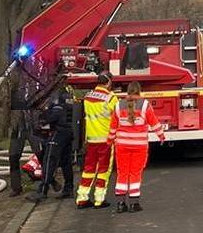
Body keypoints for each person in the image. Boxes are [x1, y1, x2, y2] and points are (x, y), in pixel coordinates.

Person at [108, 80, 166, 212]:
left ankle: (121, 204)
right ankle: (134, 204)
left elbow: (113, 126)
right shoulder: (145, 105)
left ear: (127, 91)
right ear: (139, 91)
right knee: (135, 173)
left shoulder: (118, 105)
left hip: (122, 145)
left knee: (122, 173)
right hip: (139, 146)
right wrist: (161, 136)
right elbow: (154, 122)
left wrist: (110, 140)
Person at [76, 74, 118, 209]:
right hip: (106, 139)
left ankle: (82, 198)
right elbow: (117, 117)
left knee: (89, 169)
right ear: (109, 82)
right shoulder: (111, 98)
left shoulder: (88, 97)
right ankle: (99, 199)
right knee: (104, 169)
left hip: (91, 139)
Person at [29, 84, 74, 201]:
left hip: (58, 132)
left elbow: (54, 115)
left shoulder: (56, 95)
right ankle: (68, 188)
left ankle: (43, 190)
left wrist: (42, 119)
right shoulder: (67, 94)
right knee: (66, 162)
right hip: (68, 132)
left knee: (49, 159)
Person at [7, 72, 42, 197]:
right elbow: (7, 108)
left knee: (41, 155)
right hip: (18, 129)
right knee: (13, 157)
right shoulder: (12, 90)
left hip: (33, 128)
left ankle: (49, 181)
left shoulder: (37, 87)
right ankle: (16, 187)